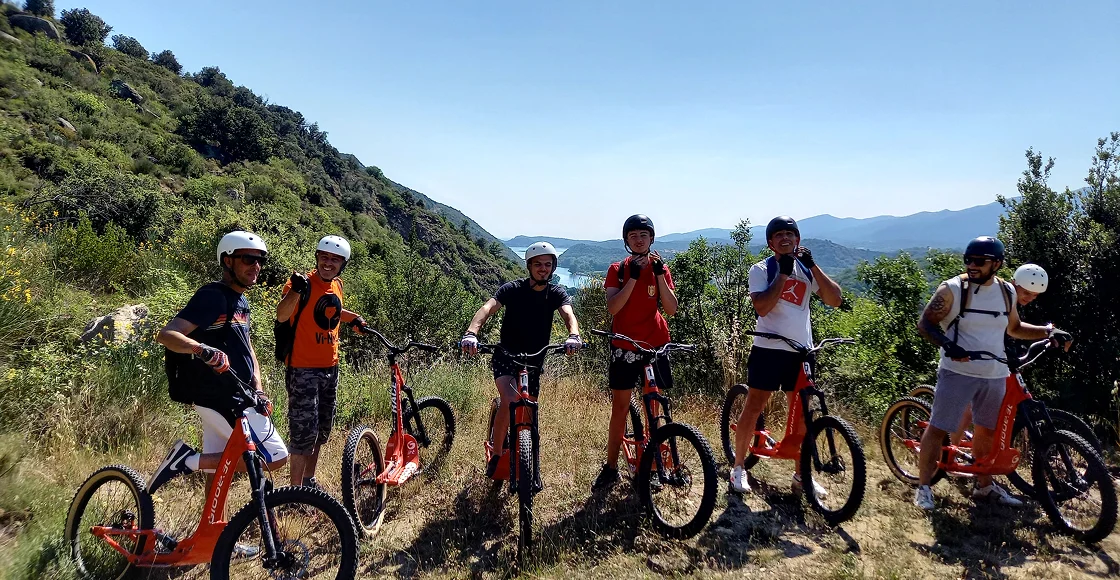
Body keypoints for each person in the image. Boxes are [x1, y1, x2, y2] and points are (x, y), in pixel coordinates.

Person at [913, 237, 1071, 510]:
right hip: (957, 371)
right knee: (938, 429)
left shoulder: (1007, 293)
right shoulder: (952, 289)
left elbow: (1015, 328)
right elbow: (926, 324)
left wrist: (1048, 332)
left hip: (995, 374)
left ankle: (983, 487)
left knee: (986, 433)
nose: (972, 266)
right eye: (968, 260)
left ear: (996, 264)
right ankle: (924, 487)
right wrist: (949, 346)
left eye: (979, 261)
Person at [150, 231, 288, 495]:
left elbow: (248, 347)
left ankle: (211, 536)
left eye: (260, 260)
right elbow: (166, 335)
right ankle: (186, 461)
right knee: (275, 457)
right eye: (248, 259)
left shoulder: (241, 301)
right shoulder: (212, 296)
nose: (255, 266)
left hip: (236, 394)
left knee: (217, 476)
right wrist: (201, 349)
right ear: (228, 261)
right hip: (222, 397)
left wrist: (257, 386)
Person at [729, 216, 843, 495]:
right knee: (754, 407)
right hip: (769, 349)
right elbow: (763, 308)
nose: (785, 239)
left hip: (801, 352)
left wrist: (813, 265)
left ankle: (800, 475)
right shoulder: (761, 269)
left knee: (802, 414)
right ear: (770, 243)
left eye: (790, 235)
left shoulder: (807, 270)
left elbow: (835, 299)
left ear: (798, 240)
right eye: (778, 235)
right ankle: (738, 469)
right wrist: (782, 273)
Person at [460, 242, 582, 476]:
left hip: (534, 360)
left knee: (528, 409)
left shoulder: (556, 293)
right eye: (538, 265)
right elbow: (487, 308)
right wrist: (471, 333)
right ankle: (497, 454)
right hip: (506, 355)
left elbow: (569, 315)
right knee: (509, 399)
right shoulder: (513, 289)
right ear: (529, 266)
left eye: (548, 265)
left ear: (553, 268)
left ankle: (529, 457)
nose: (543, 269)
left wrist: (573, 336)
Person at [592, 214, 679, 489]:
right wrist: (633, 278)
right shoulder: (617, 268)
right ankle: (611, 467)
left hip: (655, 344)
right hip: (625, 346)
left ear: (651, 239)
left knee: (653, 404)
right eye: (633, 236)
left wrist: (658, 274)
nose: (639, 240)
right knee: (620, 407)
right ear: (627, 241)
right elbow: (613, 307)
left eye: (644, 235)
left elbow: (672, 308)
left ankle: (654, 464)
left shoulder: (661, 269)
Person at [275, 235, 368, 489]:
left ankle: (309, 481)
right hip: (302, 369)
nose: (328, 263)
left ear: (342, 264)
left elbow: (332, 311)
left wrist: (353, 318)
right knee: (303, 434)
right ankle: (295, 494)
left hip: (330, 368)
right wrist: (294, 289)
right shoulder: (302, 284)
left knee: (321, 431)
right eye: (324, 257)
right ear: (317, 257)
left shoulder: (337, 285)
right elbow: (282, 315)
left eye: (335, 260)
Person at [948, 262, 1051, 445]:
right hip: (966, 354)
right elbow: (1011, 329)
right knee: (968, 411)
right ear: (1014, 283)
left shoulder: (1010, 298)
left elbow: (1012, 330)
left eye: (1035, 295)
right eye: (1026, 292)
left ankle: (982, 457)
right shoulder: (1002, 296)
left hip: (992, 360)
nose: (1030, 298)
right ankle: (946, 455)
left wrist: (1048, 333)